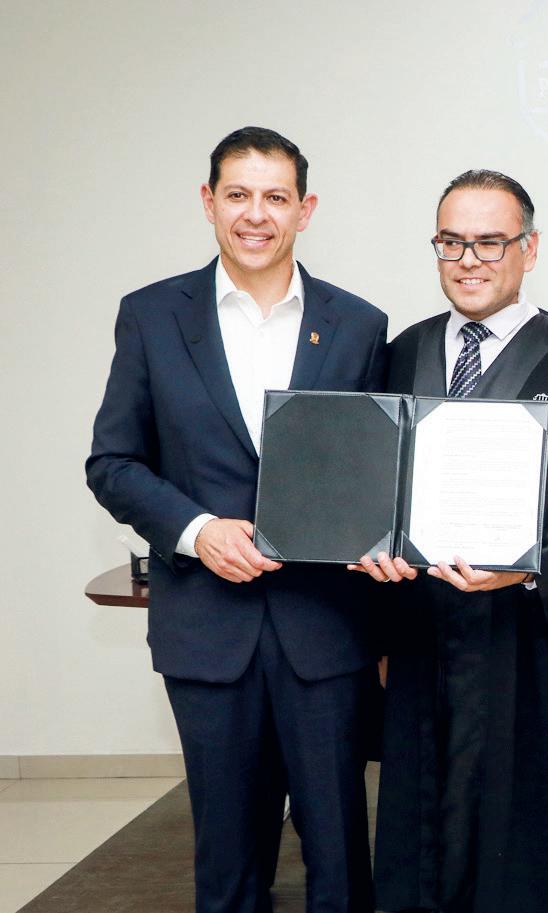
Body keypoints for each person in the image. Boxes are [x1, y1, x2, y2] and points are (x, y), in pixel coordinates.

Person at [86, 126, 386, 913]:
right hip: (207, 629)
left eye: (276, 197)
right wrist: (196, 530)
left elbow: (374, 471)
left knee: (339, 852)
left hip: (325, 630)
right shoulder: (152, 316)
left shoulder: (359, 325)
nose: (257, 214)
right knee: (226, 855)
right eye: (239, 194)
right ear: (209, 201)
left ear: (305, 210)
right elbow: (112, 463)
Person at [358, 169, 548, 913]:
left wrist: (527, 570)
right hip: (424, 638)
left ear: (530, 248)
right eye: (451, 242)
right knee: (426, 853)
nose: (469, 260)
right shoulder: (400, 354)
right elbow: (371, 494)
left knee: (531, 863)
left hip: (538, 653)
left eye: (490, 242)